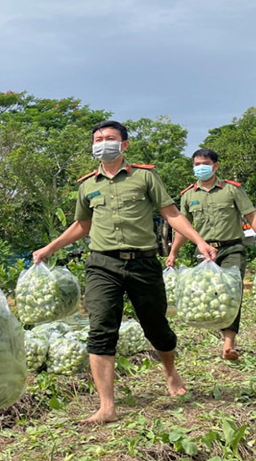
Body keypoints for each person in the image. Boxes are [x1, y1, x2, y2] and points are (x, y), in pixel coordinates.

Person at [32, 120, 217, 424]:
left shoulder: (144, 177)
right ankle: (107, 405)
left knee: (156, 326)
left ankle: (170, 372)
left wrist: (199, 241)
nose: (102, 143)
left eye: (109, 138)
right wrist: (49, 248)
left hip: (143, 263)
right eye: (98, 139)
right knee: (101, 329)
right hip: (102, 264)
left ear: (124, 145)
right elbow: (82, 225)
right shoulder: (87, 185)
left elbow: (171, 213)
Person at [167, 148, 256, 361]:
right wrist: (173, 252)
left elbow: (251, 216)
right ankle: (218, 328)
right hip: (205, 253)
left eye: (205, 164)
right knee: (209, 293)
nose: (200, 168)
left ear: (215, 166)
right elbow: (182, 227)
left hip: (232, 248)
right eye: (196, 164)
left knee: (231, 290)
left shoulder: (231, 190)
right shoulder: (188, 195)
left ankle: (229, 343)